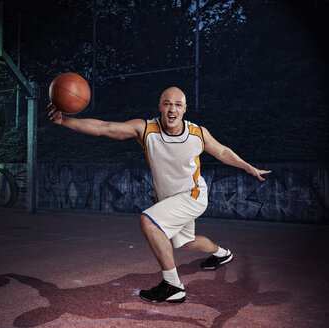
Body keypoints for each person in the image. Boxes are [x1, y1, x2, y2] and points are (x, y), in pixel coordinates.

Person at [47, 86, 271, 303]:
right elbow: (105, 127)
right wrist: (64, 120)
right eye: (167, 104)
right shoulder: (145, 130)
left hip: (193, 196)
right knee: (185, 242)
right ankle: (222, 254)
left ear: (184, 109)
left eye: (177, 105)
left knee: (148, 221)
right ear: (160, 108)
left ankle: (173, 286)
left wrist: (248, 167)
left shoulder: (197, 134)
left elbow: (222, 151)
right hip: (171, 200)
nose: (172, 109)